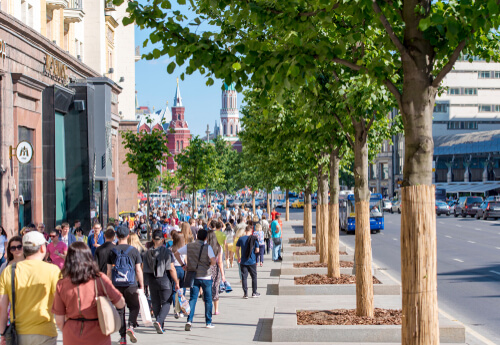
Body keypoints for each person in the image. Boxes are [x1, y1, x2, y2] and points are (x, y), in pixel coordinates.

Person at [52, 242, 125, 345]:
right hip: (98, 332)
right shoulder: (100, 279)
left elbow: (59, 320)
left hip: (72, 333)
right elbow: (120, 303)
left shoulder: (62, 284)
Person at [0, 231, 61, 345]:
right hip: (45, 332)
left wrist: (3, 333)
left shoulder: (9, 270)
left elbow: (2, 306)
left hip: (18, 334)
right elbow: (61, 302)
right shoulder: (53, 270)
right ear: (42, 248)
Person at [107, 225, 144, 345]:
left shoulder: (112, 251)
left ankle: (122, 337)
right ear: (128, 236)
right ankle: (131, 326)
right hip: (131, 284)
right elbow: (138, 270)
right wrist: (141, 285)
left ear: (116, 236)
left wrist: (109, 286)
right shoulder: (134, 251)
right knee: (134, 307)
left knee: (120, 310)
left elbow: (108, 271)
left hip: (117, 284)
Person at [173, 229, 216, 331]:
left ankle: (189, 320)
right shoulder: (208, 247)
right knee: (208, 299)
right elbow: (213, 261)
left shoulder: (189, 246)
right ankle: (208, 322)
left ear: (197, 236)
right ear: (206, 238)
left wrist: (183, 265)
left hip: (194, 276)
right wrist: (209, 265)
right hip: (206, 276)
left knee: (193, 299)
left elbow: (176, 253)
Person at [143, 230, 180, 334]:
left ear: (153, 239)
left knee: (155, 302)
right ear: (163, 239)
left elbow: (143, 268)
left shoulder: (147, 252)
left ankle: (160, 324)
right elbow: (171, 268)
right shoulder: (167, 252)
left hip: (152, 280)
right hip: (164, 279)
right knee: (167, 302)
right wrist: (176, 281)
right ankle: (159, 322)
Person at [236, 225, 260, 298]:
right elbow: (257, 250)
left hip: (243, 261)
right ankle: (254, 292)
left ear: (245, 231)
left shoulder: (240, 239)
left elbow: (237, 249)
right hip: (252, 261)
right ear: (251, 231)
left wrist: (238, 257)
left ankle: (245, 293)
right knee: (254, 276)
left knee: (244, 277)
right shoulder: (254, 239)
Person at [206, 227, 225, 315]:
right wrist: (223, 274)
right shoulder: (218, 247)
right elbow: (220, 262)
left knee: (207, 289)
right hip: (215, 269)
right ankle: (216, 309)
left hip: (206, 268)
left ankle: (207, 308)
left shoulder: (205, 246)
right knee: (215, 288)